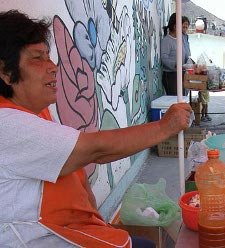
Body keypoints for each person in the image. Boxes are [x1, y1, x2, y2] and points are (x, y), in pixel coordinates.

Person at [0, 10, 192, 247]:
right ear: (7, 74)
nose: (53, 67)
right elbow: (96, 150)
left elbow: (77, 170)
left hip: (76, 231)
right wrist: (165, 127)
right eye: (38, 58)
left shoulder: (34, 113)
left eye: (49, 56)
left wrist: (98, 220)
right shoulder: (7, 124)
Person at [161, 13, 187, 95]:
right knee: (174, 100)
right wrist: (175, 65)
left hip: (181, 73)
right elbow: (164, 58)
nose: (183, 29)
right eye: (181, 26)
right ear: (175, 27)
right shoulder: (167, 41)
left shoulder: (180, 39)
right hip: (171, 75)